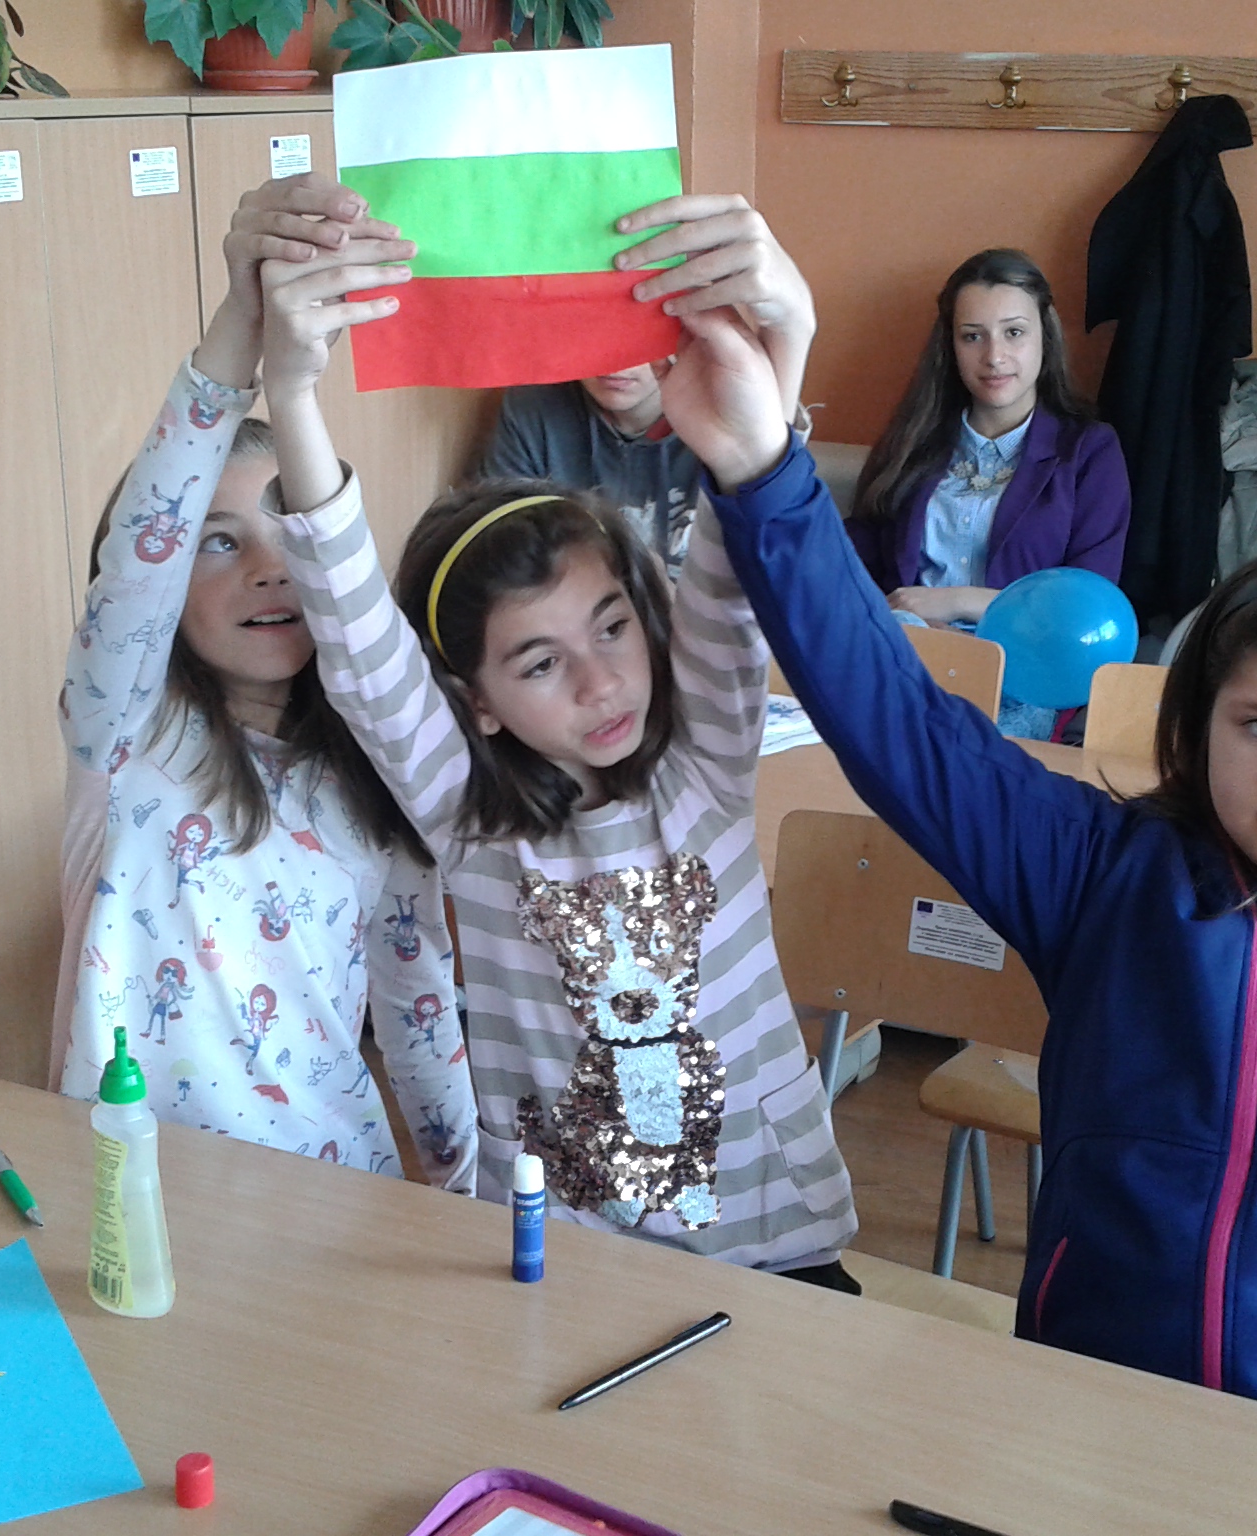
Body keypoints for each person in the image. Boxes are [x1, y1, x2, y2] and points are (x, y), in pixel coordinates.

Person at [679, 303, 1257, 1462]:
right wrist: (762, 468)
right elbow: (896, 719)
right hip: (1078, 1430)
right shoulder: (1105, 873)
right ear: (1200, 722)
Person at [256, 181, 862, 1288]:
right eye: (539, 663)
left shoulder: (705, 763)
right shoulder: (471, 820)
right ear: (476, 701)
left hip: (776, 1247)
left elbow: (737, 543)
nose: (600, 680)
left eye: (612, 626)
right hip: (567, 1264)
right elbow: (354, 632)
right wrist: (290, 390)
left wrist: (785, 353)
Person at [50, 178, 476, 1189]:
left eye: (288, 534)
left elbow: (419, 1012)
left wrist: (463, 1193)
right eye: (219, 543)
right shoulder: (126, 738)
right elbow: (141, 556)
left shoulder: (379, 777)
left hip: (330, 1192)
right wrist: (235, 334)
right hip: (136, 1192)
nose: (269, 569)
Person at [844, 249, 1131, 631]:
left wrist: (958, 601)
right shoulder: (912, 440)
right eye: (973, 336)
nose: (994, 356)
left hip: (1026, 657)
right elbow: (851, 561)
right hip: (909, 648)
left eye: (1014, 332)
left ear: (1045, 337)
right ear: (951, 346)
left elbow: (1089, 603)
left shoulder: (1089, 451)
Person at [479, 365, 708, 574]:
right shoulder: (533, 407)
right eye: (594, 336)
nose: (615, 361)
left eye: (639, 338)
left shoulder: (717, 420)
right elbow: (499, 554)